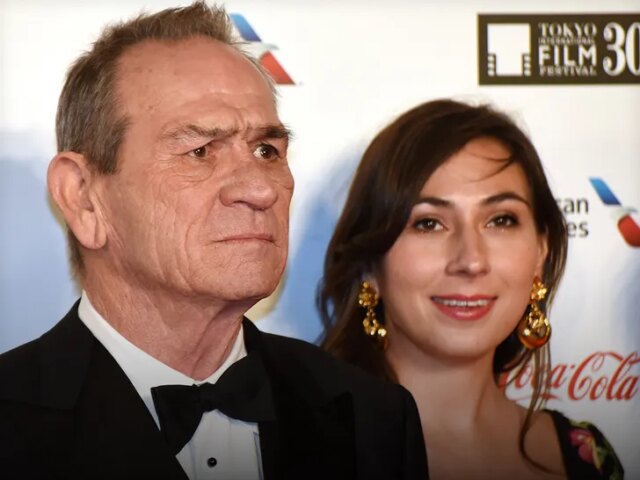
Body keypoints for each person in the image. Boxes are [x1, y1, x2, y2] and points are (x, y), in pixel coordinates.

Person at [0, 3, 428, 479]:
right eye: (200, 151)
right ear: (83, 197)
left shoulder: (372, 419)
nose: (261, 190)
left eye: (267, 150)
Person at [319, 99, 624, 480]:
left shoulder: (587, 457)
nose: (471, 260)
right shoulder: (301, 449)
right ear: (369, 265)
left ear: (540, 252)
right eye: (429, 223)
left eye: (500, 220)